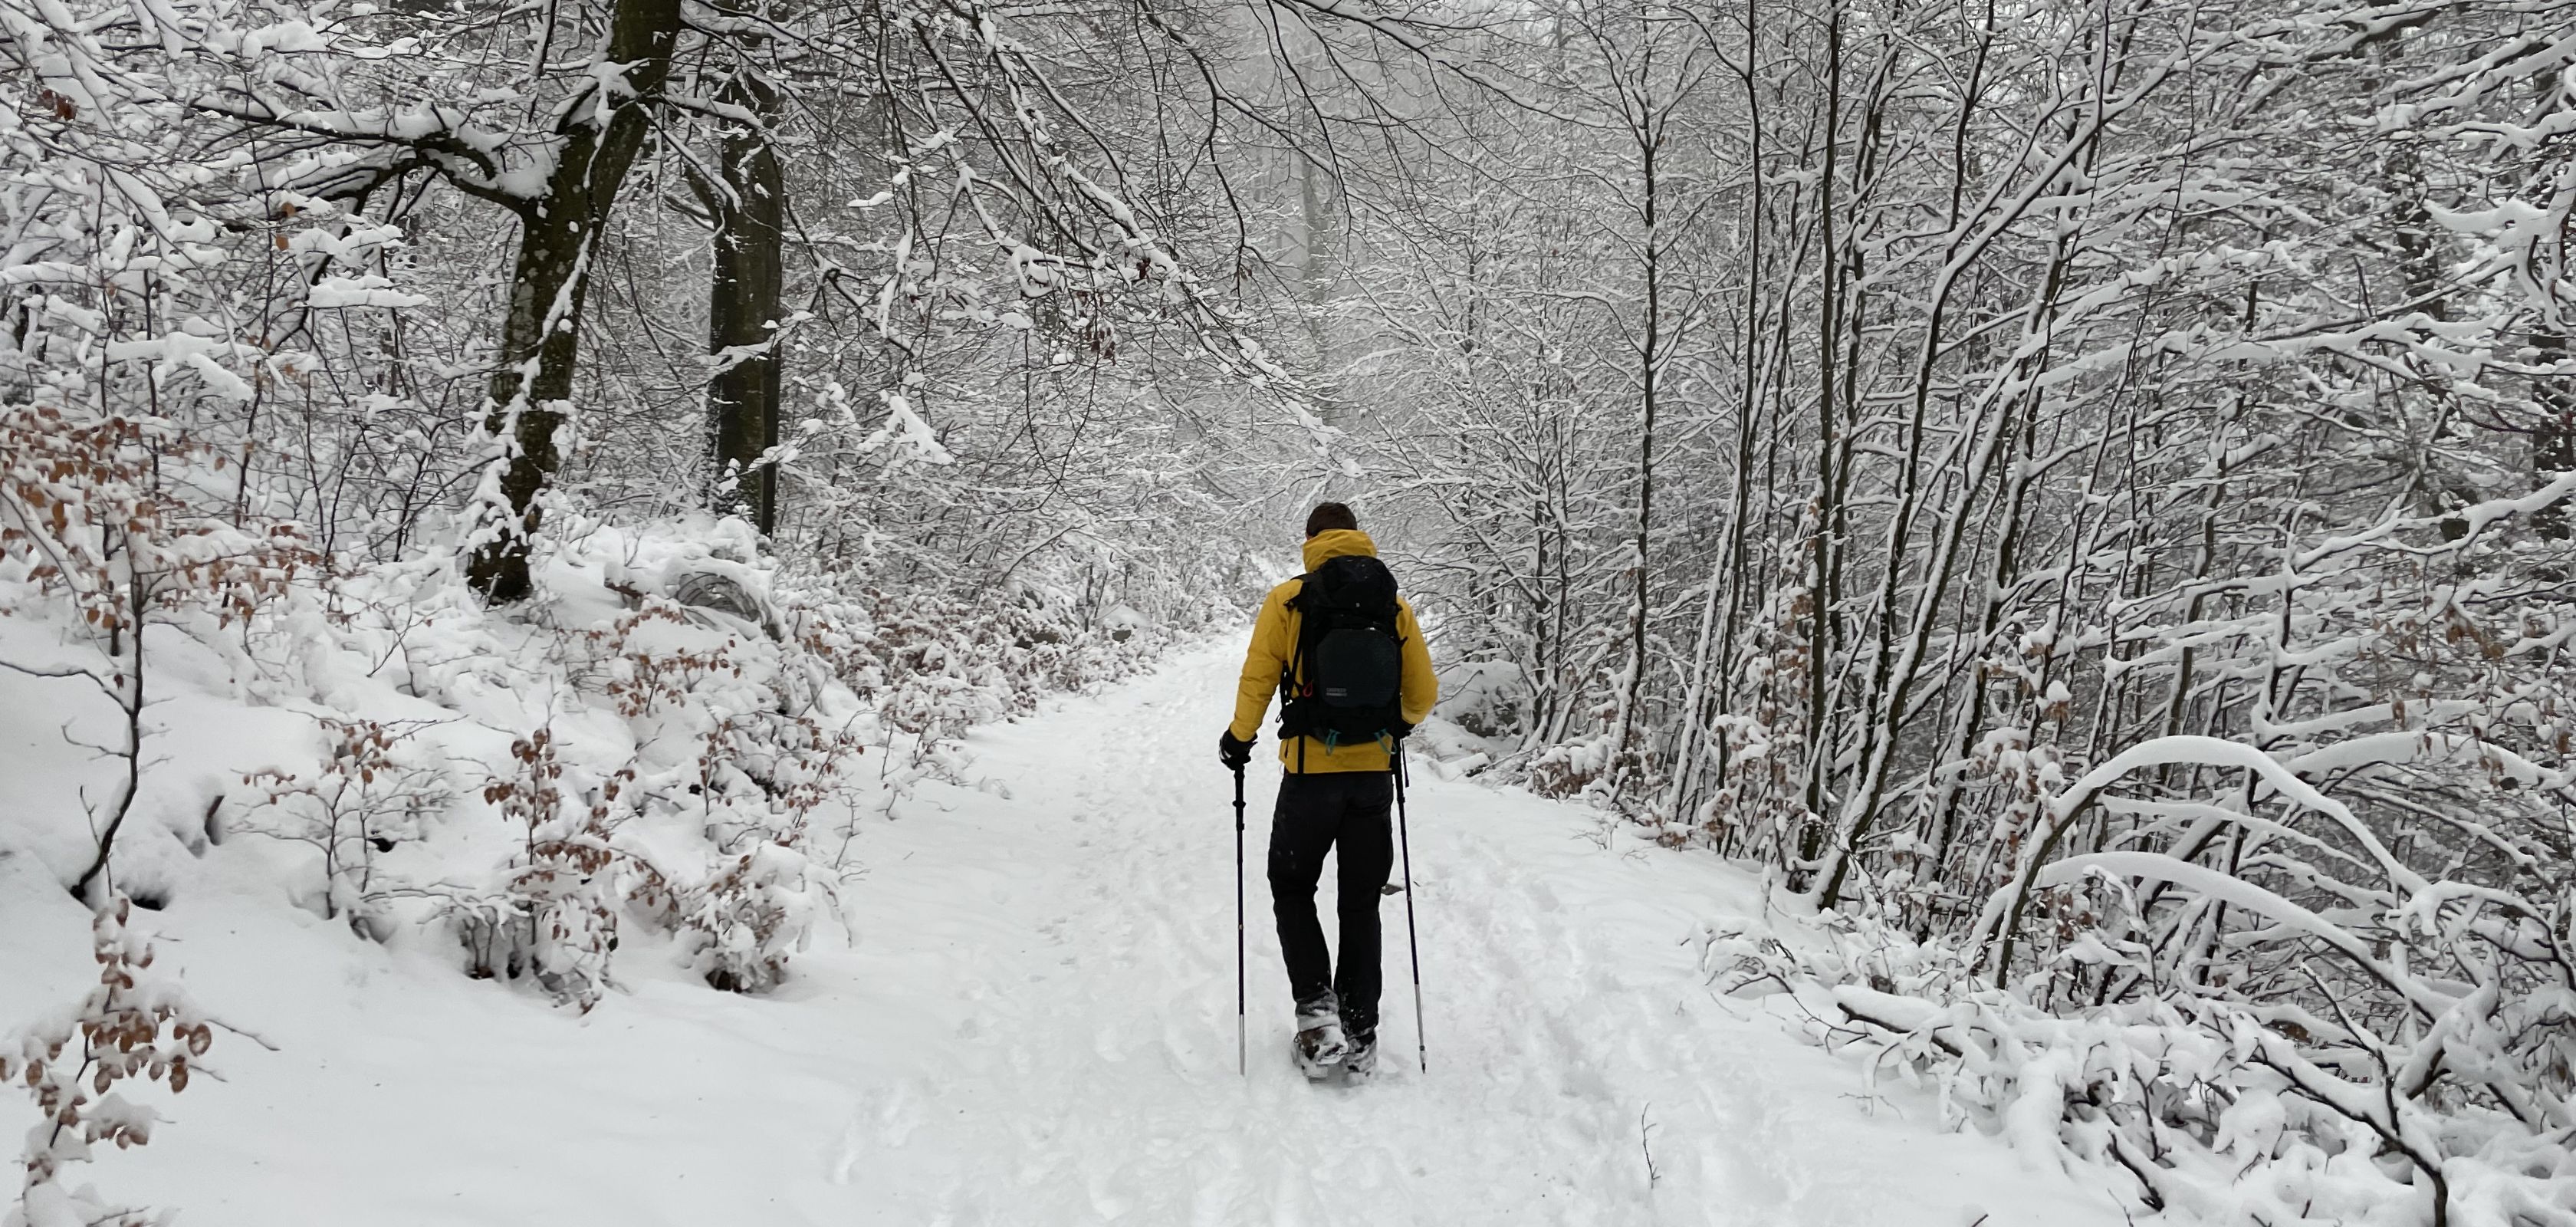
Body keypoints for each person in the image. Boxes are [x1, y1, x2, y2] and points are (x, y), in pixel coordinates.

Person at [1218, 502, 1437, 1078]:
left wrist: (1239, 740)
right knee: (1360, 902)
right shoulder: (1393, 604)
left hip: (1311, 776)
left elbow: (1259, 676)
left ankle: (1318, 1020)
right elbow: (1422, 692)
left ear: (1310, 540)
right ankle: (1362, 1031)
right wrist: (1397, 728)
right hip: (1373, 781)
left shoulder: (1288, 600)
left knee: (1292, 885)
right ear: (1359, 537)